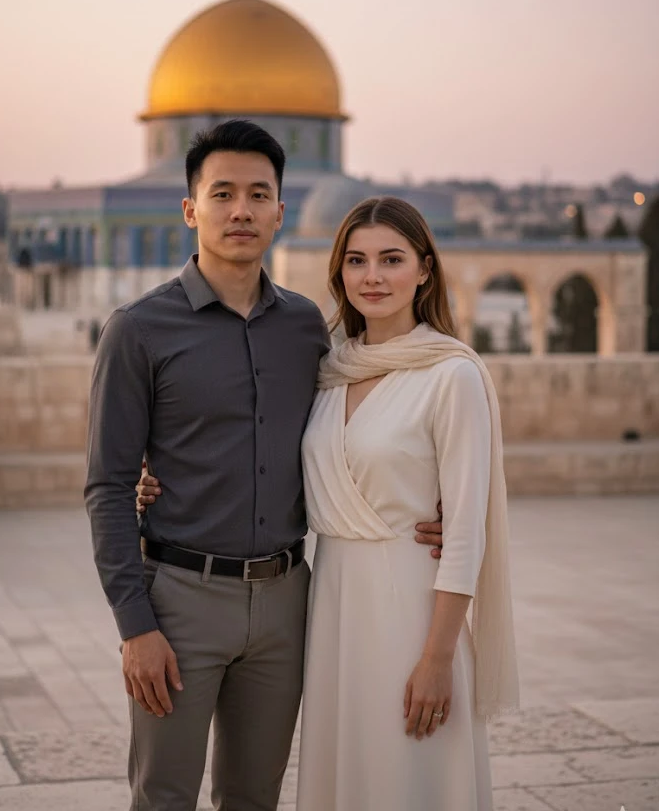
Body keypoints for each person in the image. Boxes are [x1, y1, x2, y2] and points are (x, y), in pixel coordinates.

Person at [86, 120, 444, 811]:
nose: (241, 210)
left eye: (258, 195)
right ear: (190, 209)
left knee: (255, 798)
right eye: (222, 194)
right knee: (163, 796)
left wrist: (433, 503)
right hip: (180, 600)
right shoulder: (138, 330)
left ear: (281, 211)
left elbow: (368, 423)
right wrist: (135, 626)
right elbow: (106, 485)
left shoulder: (307, 328)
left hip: (287, 602)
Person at [296, 196, 519, 810]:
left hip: (412, 614)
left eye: (391, 260)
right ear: (339, 272)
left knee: (408, 778)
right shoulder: (329, 371)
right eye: (357, 260)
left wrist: (437, 659)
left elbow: (466, 532)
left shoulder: (451, 376)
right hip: (334, 606)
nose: (372, 276)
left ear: (424, 270)